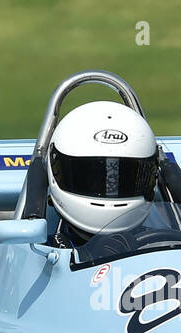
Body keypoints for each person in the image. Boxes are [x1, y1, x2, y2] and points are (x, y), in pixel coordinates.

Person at [45, 100, 161, 247]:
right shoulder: (39, 248)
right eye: (89, 177)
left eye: (126, 177)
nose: (109, 190)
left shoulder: (163, 243)